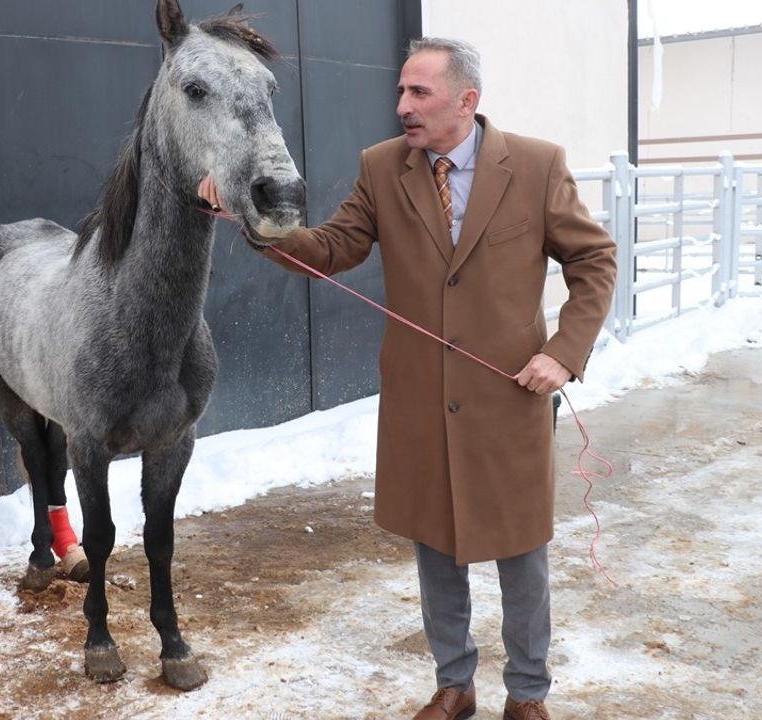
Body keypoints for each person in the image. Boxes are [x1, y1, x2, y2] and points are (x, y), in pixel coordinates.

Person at [199, 37, 616, 720]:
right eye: (401, 92)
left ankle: (528, 693)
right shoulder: (382, 168)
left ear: (466, 99)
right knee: (437, 549)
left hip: (509, 396)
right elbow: (333, 250)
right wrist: (255, 220)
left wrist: (565, 352)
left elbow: (593, 261)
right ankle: (454, 684)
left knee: (521, 554)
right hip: (421, 400)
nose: (402, 107)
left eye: (419, 93)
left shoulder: (537, 167)